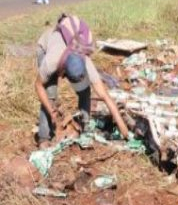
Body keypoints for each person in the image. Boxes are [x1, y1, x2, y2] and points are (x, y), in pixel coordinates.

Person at [34, 15, 130, 145]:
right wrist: (51, 112)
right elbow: (38, 86)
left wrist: (122, 125)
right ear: (64, 72)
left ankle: (83, 125)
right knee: (50, 94)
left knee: (85, 91)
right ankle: (44, 138)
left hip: (67, 57)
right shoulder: (51, 61)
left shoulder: (85, 61)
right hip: (45, 47)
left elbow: (105, 96)